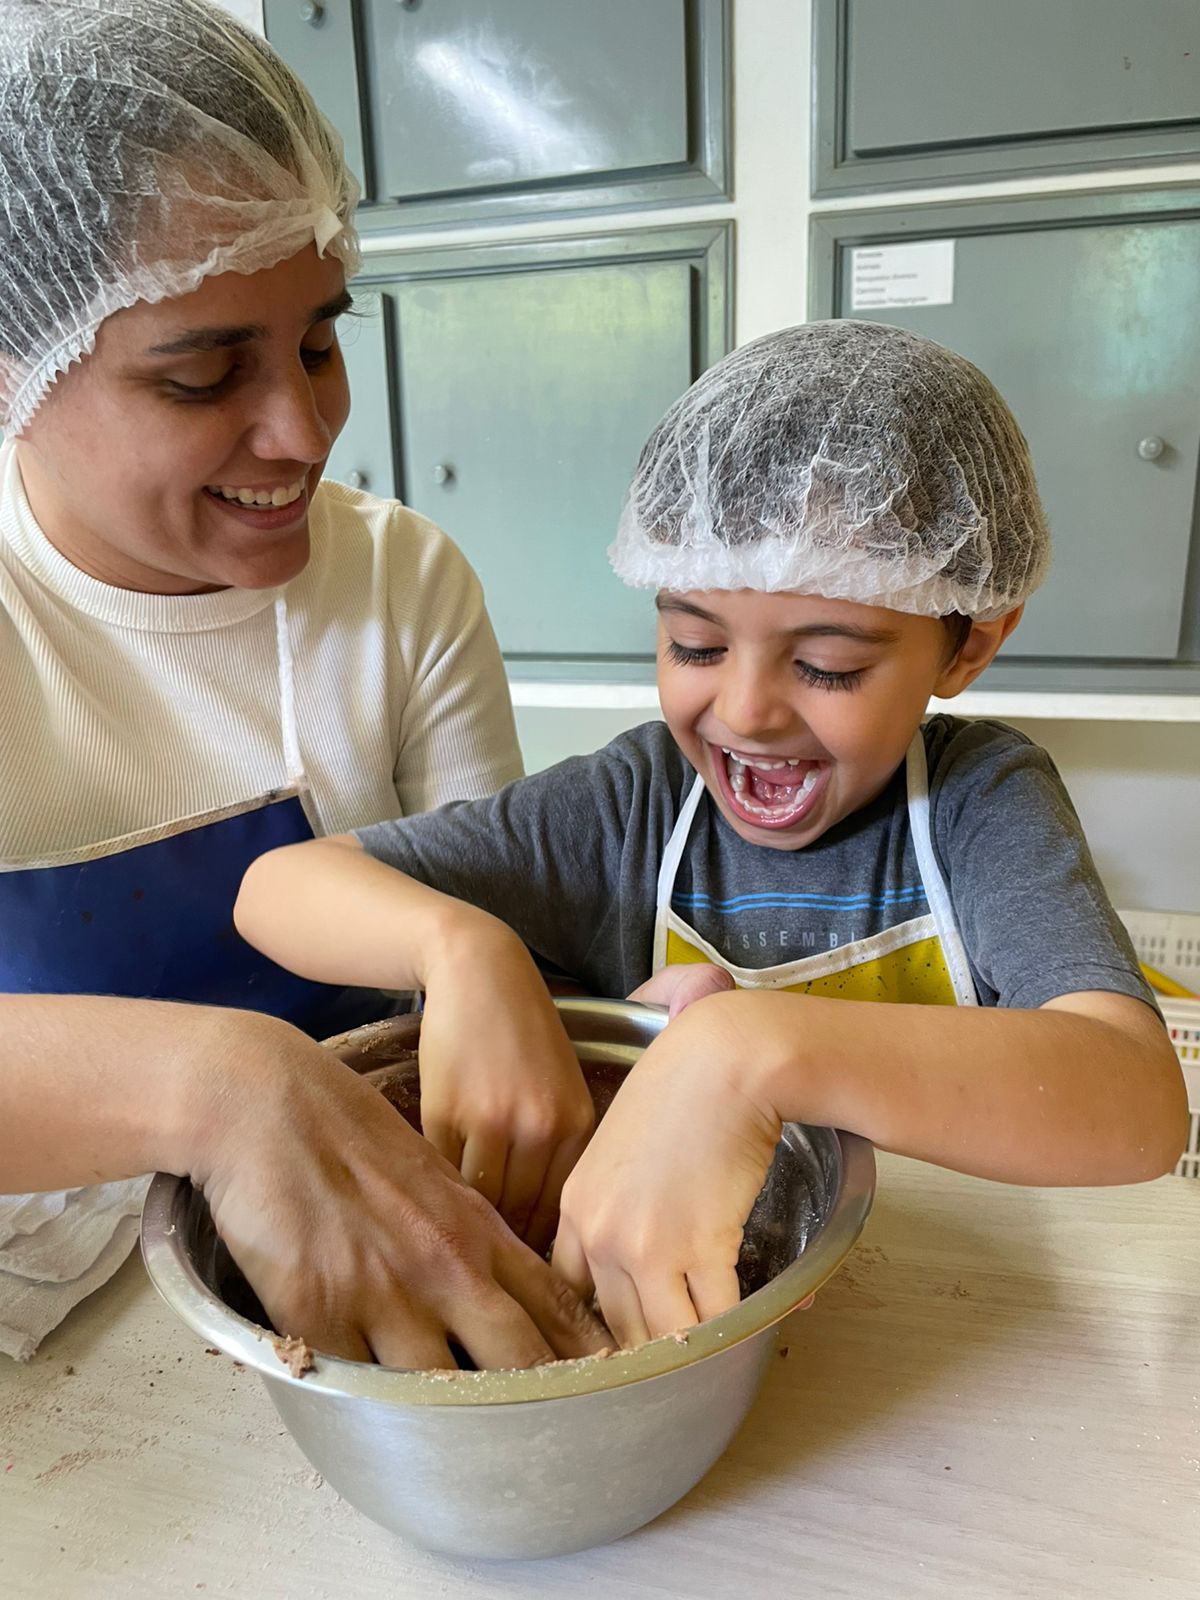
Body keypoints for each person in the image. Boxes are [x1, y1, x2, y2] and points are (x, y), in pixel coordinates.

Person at [235, 320, 1189, 1354]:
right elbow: (278, 887)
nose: (746, 710)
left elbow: (1135, 1101)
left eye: (828, 665)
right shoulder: (632, 803)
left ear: (971, 641)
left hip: (947, 1324)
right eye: (695, 642)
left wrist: (751, 1050)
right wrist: (461, 947)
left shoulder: (977, 800)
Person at [0, 0, 604, 1371]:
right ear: (11, 379)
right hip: (67, 1361)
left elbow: (493, 953)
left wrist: (489, 962)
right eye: (205, 373)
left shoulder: (402, 586)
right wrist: (221, 1083)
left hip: (388, 1250)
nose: (307, 429)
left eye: (320, 342)